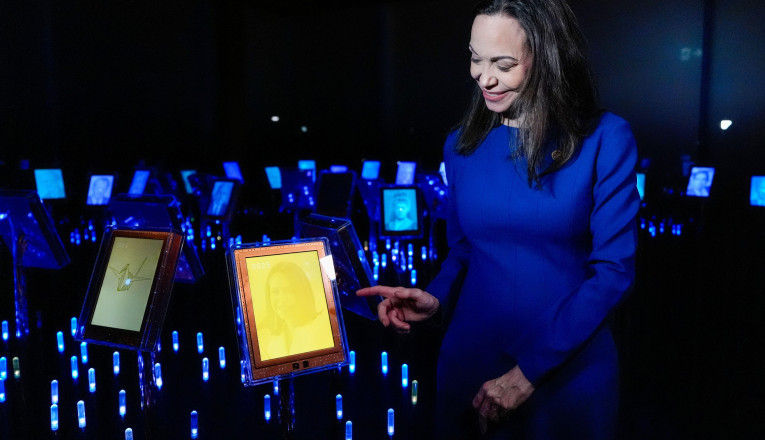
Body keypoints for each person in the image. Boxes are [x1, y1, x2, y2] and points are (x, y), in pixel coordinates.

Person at [357, 1, 639, 438]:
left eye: (503, 64)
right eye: (475, 58)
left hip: (566, 366)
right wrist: (435, 299)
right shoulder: (461, 144)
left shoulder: (605, 138)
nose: (483, 78)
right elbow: (465, 247)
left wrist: (528, 370)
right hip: (470, 358)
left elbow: (614, 271)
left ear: (548, 60)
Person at [256, 261, 334, 360]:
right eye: (275, 292)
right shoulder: (271, 343)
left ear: (302, 292)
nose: (282, 299)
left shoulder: (324, 330)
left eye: (289, 290)